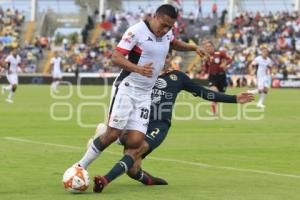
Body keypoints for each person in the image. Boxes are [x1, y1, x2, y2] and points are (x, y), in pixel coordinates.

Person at [69, 4, 207, 193]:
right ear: (155, 16)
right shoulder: (136, 31)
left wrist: (194, 47)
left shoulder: (166, 33)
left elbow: (174, 43)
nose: (166, 30)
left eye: (170, 27)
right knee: (113, 133)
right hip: (127, 87)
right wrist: (138, 69)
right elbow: (115, 57)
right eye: (164, 25)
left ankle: (104, 133)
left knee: (135, 141)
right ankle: (79, 166)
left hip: (144, 95)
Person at [90, 53, 255, 187]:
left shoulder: (178, 77)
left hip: (159, 125)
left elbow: (204, 92)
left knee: (134, 153)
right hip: (138, 121)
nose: (163, 59)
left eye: (165, 56)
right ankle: (147, 178)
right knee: (132, 170)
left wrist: (234, 98)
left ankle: (104, 180)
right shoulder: (143, 74)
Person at [202, 40, 232, 116]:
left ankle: (214, 106)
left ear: (213, 46)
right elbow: (206, 68)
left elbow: (230, 59)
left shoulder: (220, 53)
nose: (208, 48)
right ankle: (215, 111)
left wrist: (225, 63)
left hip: (222, 76)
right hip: (212, 77)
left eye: (209, 46)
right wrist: (203, 70)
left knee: (220, 95)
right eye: (206, 47)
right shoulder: (206, 57)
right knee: (213, 92)